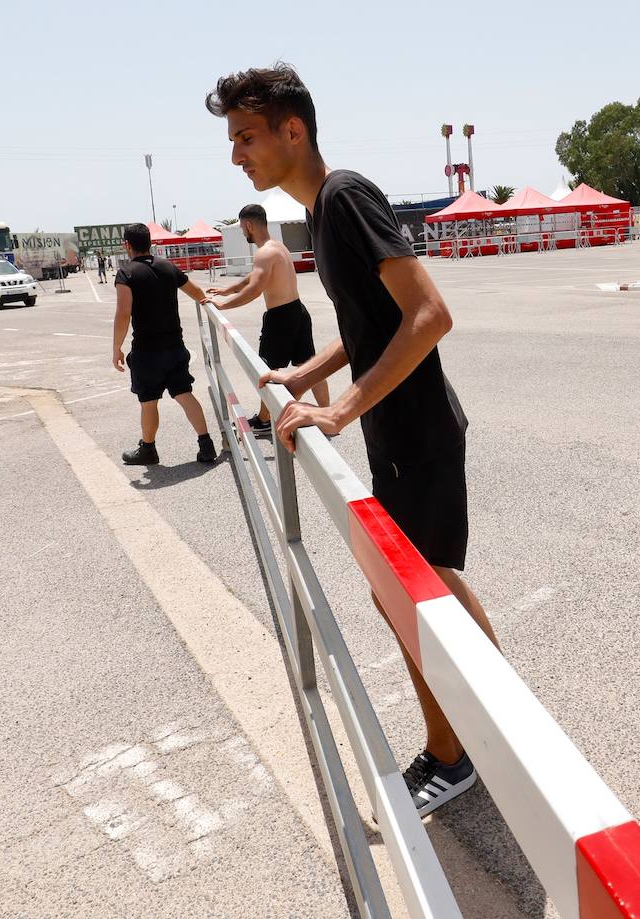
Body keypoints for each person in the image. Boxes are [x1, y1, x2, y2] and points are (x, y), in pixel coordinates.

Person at [207, 64, 500, 816]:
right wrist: (308, 373)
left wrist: (338, 413)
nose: (237, 154)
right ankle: (490, 731)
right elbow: (371, 325)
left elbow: (429, 313)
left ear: (291, 129)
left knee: (413, 591)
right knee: (417, 588)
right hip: (400, 429)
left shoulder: (344, 199)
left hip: (417, 430)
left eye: (246, 136)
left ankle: (461, 749)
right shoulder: (326, 211)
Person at [207, 203, 329, 434]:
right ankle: (327, 416)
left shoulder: (264, 253)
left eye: (243, 228)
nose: (243, 232)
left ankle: (264, 421)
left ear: (248, 225)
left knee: (267, 371)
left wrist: (223, 305)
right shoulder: (277, 247)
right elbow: (250, 280)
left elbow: (254, 289)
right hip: (298, 312)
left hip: (281, 317)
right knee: (309, 367)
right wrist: (225, 291)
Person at [111, 223, 217, 466]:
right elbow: (196, 292)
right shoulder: (168, 266)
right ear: (150, 242)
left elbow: (123, 314)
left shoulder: (126, 274)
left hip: (147, 352)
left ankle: (148, 450)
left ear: (127, 245)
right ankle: (206, 444)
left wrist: (116, 347)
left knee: (148, 402)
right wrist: (211, 303)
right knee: (184, 394)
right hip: (175, 346)